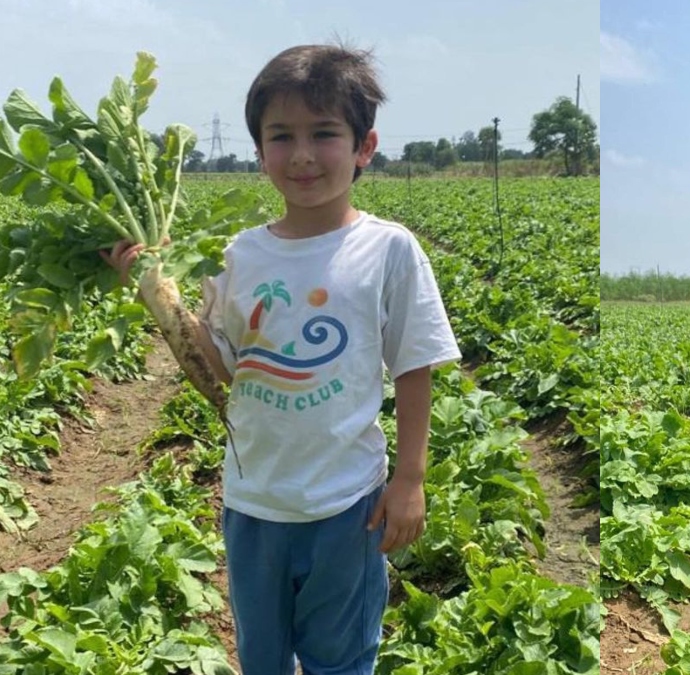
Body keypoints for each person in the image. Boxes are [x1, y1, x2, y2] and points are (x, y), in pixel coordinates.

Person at [103, 44, 460, 674]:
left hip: (347, 505)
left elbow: (414, 365)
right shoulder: (237, 255)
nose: (301, 155)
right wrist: (159, 297)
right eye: (281, 136)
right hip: (253, 503)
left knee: (341, 658)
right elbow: (222, 364)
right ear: (259, 149)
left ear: (364, 146)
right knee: (261, 659)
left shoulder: (388, 250)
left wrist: (410, 480)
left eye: (324, 133)